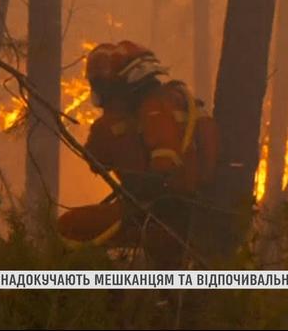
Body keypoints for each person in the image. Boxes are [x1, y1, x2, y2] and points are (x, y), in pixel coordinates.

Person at [57, 41, 218, 268]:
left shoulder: (153, 110)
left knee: (68, 227)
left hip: (160, 217)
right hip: (178, 216)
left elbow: (162, 168)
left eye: (102, 85)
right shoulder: (172, 101)